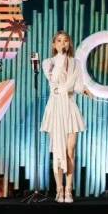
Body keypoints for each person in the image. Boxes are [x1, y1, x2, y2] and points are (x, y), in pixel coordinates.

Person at [40, 31, 93, 203]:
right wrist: (61, 57)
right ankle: (59, 189)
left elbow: (77, 85)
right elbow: (54, 80)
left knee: (70, 150)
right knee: (58, 150)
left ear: (69, 43)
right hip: (55, 107)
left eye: (66, 41)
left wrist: (84, 90)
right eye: (59, 41)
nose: (63, 43)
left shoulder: (76, 63)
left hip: (70, 107)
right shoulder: (48, 63)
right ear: (54, 44)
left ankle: (69, 190)